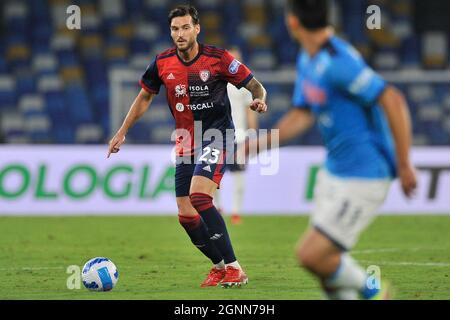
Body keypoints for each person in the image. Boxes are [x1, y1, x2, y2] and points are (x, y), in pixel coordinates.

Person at [247, 0, 417, 299]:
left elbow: (392, 99)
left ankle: (376, 293)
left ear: (293, 22)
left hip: (364, 173)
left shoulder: (338, 60)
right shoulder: (308, 59)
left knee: (312, 255)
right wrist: (260, 145)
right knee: (325, 271)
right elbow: (303, 113)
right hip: (334, 173)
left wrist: (404, 165)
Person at [107, 5, 267, 288]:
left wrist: (259, 99)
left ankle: (234, 268)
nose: (179, 34)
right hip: (185, 139)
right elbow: (144, 96)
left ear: (196, 29)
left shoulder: (218, 59)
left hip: (218, 135)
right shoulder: (162, 62)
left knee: (200, 197)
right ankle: (218, 267)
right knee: (186, 214)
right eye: (174, 29)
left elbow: (255, 85)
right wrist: (122, 131)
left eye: (184, 28)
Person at [214, 47, 257, 225]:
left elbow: (250, 110)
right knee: (213, 174)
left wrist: (252, 134)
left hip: (238, 136)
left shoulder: (244, 85)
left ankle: (236, 212)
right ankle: (217, 206)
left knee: (238, 174)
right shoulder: (215, 81)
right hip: (216, 135)